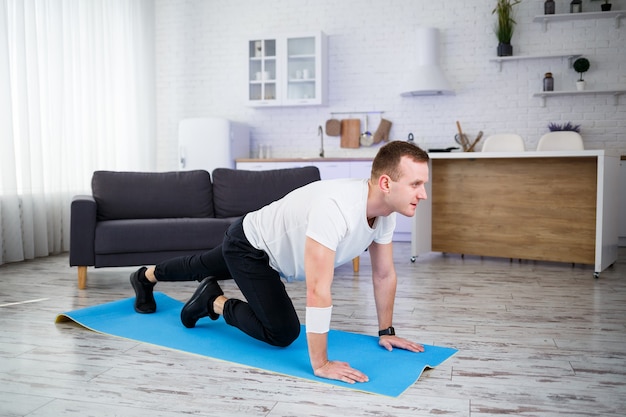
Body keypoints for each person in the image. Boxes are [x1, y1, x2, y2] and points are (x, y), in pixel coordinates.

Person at [130, 140, 429, 384]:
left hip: (262, 248)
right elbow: (318, 291)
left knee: (201, 265)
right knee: (283, 332)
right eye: (416, 184)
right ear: (386, 183)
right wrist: (321, 363)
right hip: (250, 246)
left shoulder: (384, 212)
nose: (423, 194)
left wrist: (386, 332)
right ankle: (211, 301)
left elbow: (384, 275)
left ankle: (146, 277)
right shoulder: (337, 209)